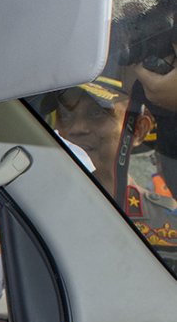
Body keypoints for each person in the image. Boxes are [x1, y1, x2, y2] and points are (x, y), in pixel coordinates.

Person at [51, 76, 177, 267]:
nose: (76, 129)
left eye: (97, 113)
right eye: (65, 115)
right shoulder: (41, 214)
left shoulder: (167, 221)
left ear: (138, 130)